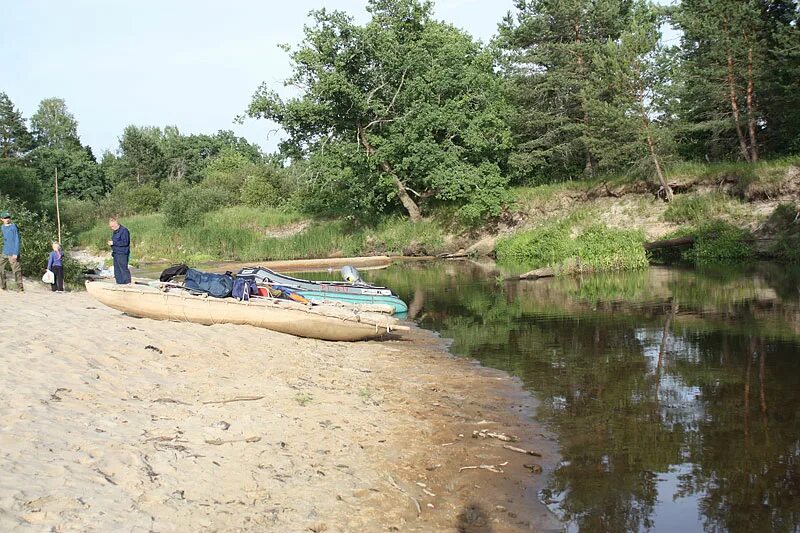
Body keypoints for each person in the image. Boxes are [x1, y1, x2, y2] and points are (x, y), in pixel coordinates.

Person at [0, 211, 23, 292]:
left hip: (13, 253)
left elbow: (17, 240)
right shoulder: (2, 227)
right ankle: (3, 286)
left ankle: (20, 288)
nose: (7, 219)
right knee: (1, 268)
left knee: (16, 270)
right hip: (4, 252)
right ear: (1, 219)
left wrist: (15, 253)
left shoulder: (13, 227)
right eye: (5, 218)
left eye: (8, 217)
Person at [108, 217, 131, 284]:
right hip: (116, 253)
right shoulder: (115, 232)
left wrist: (114, 243)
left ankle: (127, 284)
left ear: (116, 223)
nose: (111, 228)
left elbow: (125, 242)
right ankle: (119, 284)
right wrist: (111, 244)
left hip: (122, 253)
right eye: (110, 227)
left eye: (112, 226)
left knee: (123, 269)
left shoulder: (124, 231)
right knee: (117, 271)